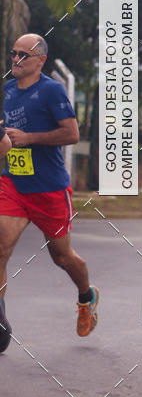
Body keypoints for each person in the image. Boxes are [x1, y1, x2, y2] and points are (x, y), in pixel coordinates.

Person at [0, 34, 99, 354]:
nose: (15, 60)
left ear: (40, 60)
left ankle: (86, 296)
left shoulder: (52, 90)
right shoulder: (8, 90)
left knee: (62, 257)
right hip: (14, 183)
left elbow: (72, 134)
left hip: (49, 189)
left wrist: (29, 138)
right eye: (13, 53)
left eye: (23, 55)